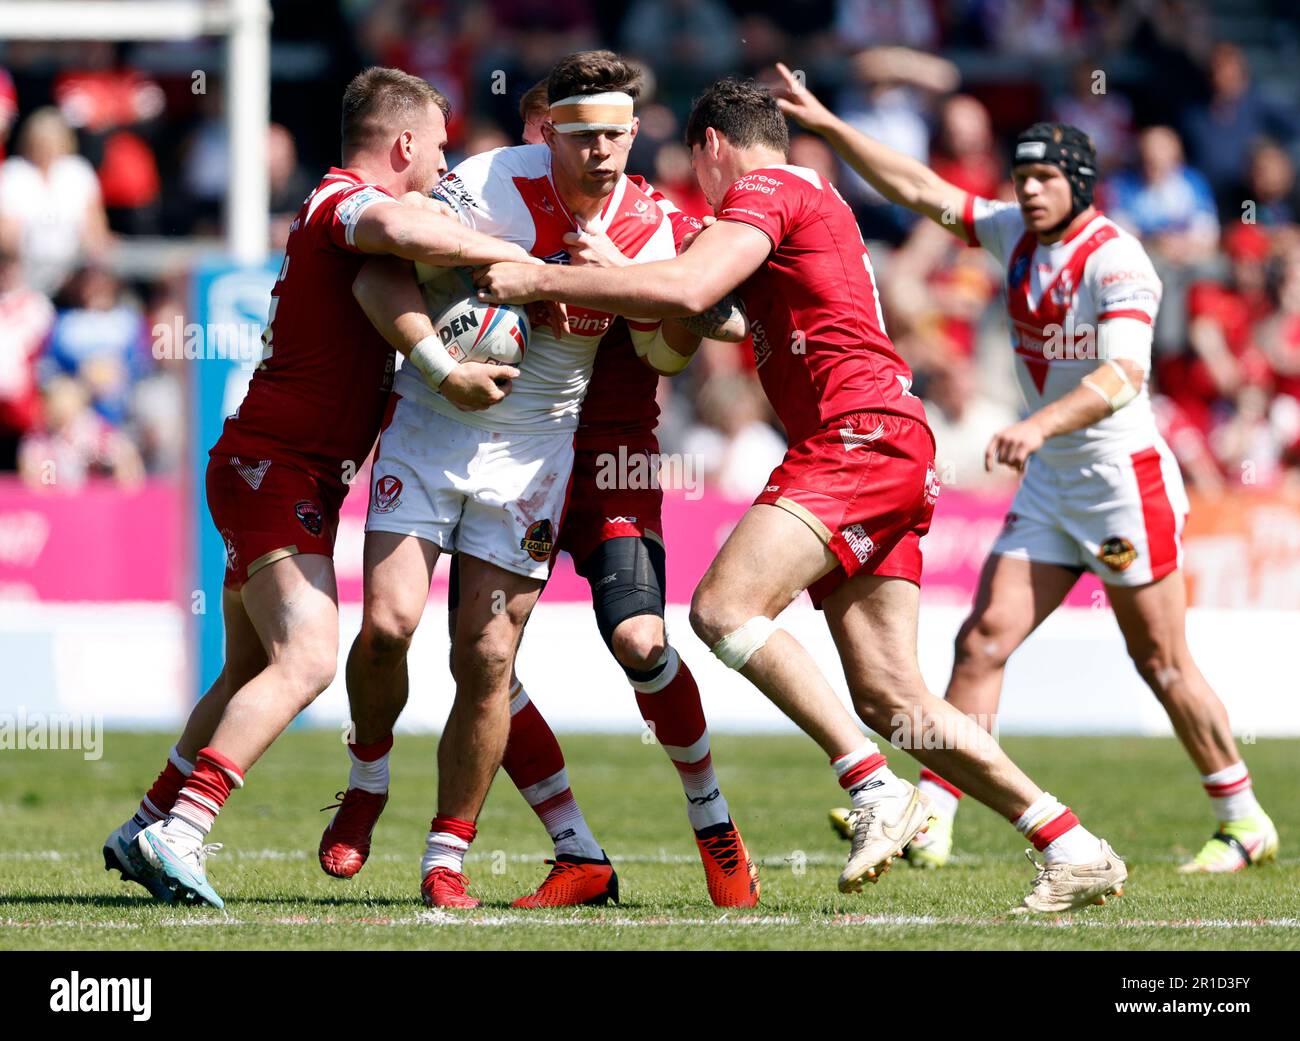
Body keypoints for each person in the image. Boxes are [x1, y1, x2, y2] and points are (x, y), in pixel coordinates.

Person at [477, 75, 1127, 913]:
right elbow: (710, 316)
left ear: (713, 147)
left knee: (721, 609)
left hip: (854, 438)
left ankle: (872, 788)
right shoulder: (796, 199)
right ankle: (1069, 843)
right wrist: (635, 273)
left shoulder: (767, 189)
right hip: (888, 439)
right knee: (895, 698)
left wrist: (542, 283)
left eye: (699, 170)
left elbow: (684, 291)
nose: (703, 195)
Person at [769, 67, 1277, 875]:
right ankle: (934, 815)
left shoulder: (1119, 262)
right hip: (1052, 483)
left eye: (1046, 178)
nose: (1031, 192)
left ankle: (1242, 814)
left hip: (1120, 482)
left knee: (1163, 662)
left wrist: (1036, 423)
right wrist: (828, 126)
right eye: (1023, 178)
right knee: (982, 642)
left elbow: (1121, 379)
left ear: (1079, 184)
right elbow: (918, 186)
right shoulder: (1013, 233)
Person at [100, 67, 538, 909]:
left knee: (247, 672)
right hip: (276, 468)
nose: (446, 171)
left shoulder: (363, 229)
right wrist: (510, 255)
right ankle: (182, 832)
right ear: (403, 144)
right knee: (305, 657)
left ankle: (148, 819)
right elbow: (397, 223)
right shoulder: (339, 200)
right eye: (440, 151)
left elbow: (397, 255)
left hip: (275, 468)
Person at [322, 69, 759, 909]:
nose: (595, 151)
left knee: (510, 657)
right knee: (387, 627)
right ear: (544, 134)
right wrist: (454, 343)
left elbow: (680, 346)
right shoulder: (486, 185)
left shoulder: (656, 225)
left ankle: (455, 855)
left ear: (635, 136)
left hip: (552, 458)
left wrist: (608, 282)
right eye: (574, 133)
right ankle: (372, 779)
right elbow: (379, 270)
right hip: (436, 425)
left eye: (612, 134)